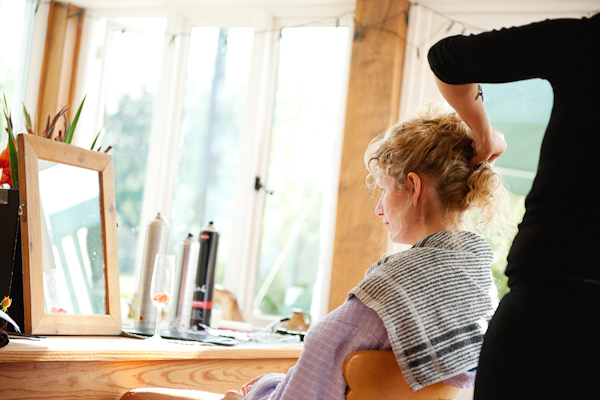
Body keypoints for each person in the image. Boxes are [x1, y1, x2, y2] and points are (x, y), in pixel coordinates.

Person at [221, 106, 507, 400]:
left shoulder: (389, 294)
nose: (378, 208)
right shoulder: (480, 291)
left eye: (383, 189)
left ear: (413, 186)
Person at [427, 13, 600, 399]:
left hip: (547, 307)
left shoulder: (585, 40)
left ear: (413, 185)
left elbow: (446, 60)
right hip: (542, 302)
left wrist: (482, 133)